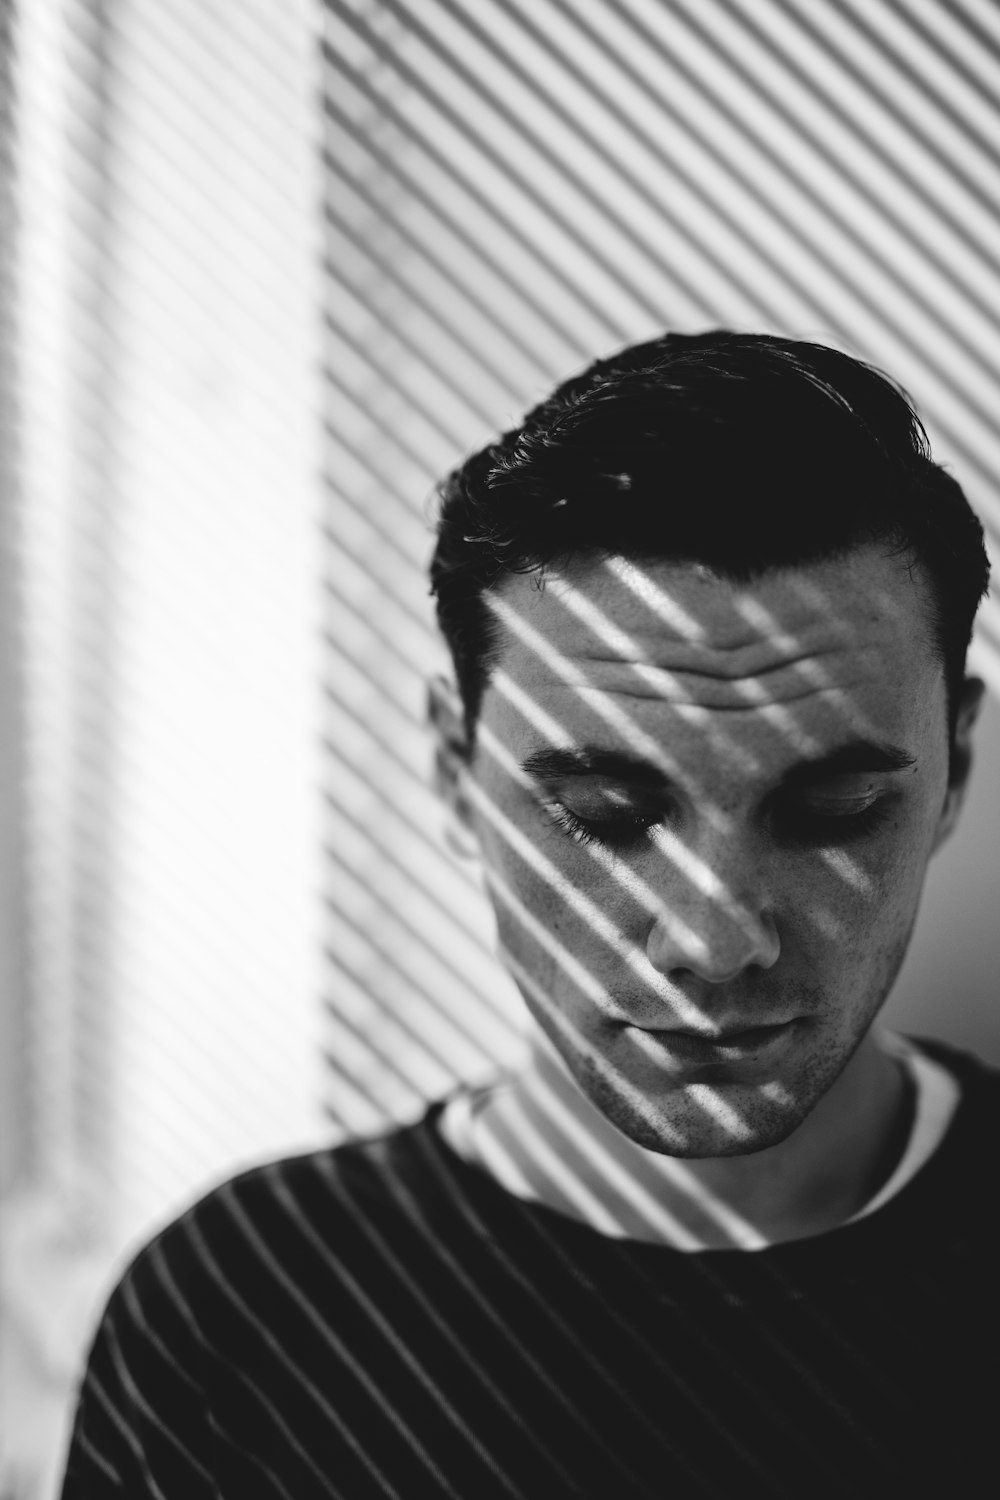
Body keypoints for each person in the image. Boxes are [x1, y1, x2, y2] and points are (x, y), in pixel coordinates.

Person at [60, 331, 997, 1497]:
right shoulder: (241, 1311)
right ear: (458, 773)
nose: (709, 941)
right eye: (602, 816)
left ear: (954, 763)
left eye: (833, 810)